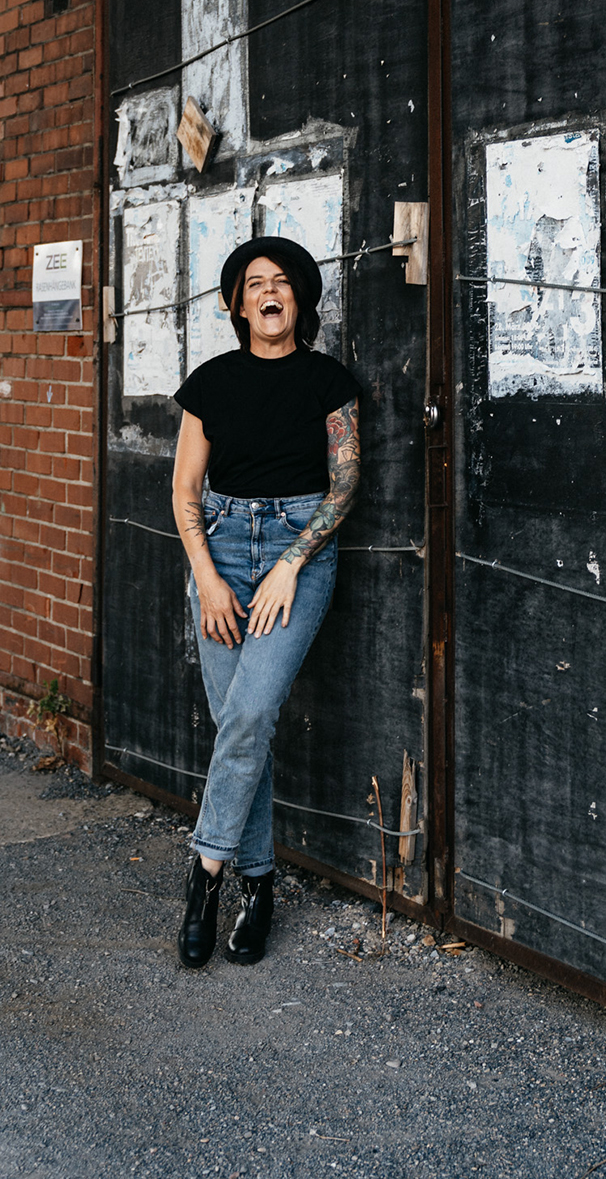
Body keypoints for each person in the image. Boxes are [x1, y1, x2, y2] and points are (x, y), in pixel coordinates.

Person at [170, 237, 360, 969]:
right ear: (236, 302)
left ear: (299, 300)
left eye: (282, 283)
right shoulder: (209, 383)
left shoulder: (328, 381)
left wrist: (288, 565)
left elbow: (343, 487)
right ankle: (259, 882)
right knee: (237, 728)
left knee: (249, 716)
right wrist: (208, 577)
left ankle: (204, 878)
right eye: (254, 284)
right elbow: (185, 492)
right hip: (217, 551)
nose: (269, 293)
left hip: (297, 553)